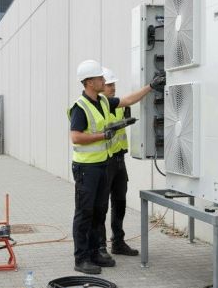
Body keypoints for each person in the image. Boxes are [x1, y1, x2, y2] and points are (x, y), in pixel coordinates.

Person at [68, 59, 165, 274]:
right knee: (85, 213)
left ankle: (95, 253)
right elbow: (75, 137)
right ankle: (81, 258)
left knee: (99, 212)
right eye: (100, 78)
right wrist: (102, 135)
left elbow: (128, 99)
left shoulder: (102, 102)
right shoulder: (80, 107)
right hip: (86, 169)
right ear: (90, 82)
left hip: (102, 165)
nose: (104, 80)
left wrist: (150, 86)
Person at [99, 67, 139, 256]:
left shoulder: (120, 105)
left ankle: (118, 242)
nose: (112, 88)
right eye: (109, 85)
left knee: (120, 202)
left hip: (119, 161)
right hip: (104, 163)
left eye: (114, 84)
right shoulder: (98, 106)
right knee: (101, 206)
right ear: (100, 86)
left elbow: (130, 99)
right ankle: (100, 246)